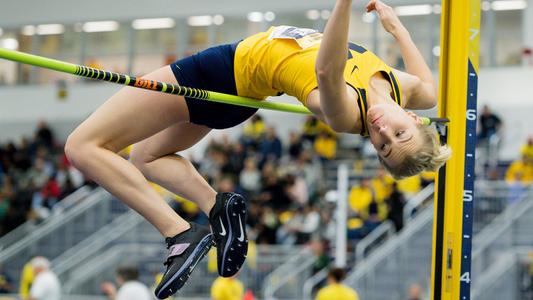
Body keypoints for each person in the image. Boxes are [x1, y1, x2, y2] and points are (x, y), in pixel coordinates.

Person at [63, 0, 450, 298]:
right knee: (145, 157)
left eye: (381, 148)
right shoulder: (405, 89)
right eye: (398, 136)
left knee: (82, 146)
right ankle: (218, 207)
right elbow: (429, 87)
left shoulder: (346, 111)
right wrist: (396, 26)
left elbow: (326, 71)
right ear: (414, 119)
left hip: (222, 72)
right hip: (239, 91)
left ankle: (178, 232)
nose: (382, 133)